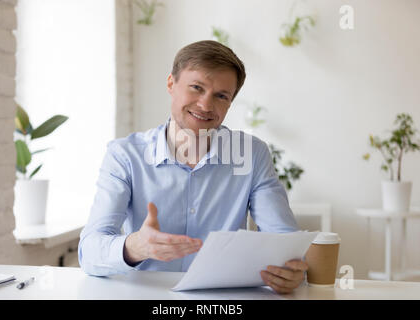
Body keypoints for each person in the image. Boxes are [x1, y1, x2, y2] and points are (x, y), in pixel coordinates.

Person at [78, 40, 307, 294]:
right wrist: (136, 246)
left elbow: (284, 243)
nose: (206, 105)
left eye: (221, 96)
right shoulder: (125, 155)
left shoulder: (252, 154)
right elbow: (89, 252)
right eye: (196, 88)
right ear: (170, 84)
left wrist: (291, 271)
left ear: (230, 103)